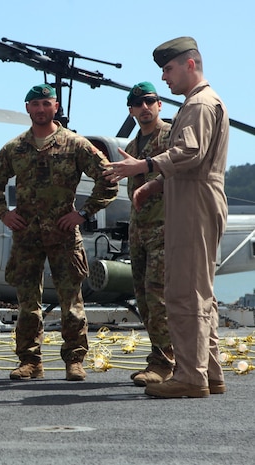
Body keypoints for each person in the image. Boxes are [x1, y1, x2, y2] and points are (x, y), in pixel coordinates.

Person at [105, 37, 229, 398]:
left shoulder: (199, 105)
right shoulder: (199, 102)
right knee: (199, 293)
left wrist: (143, 166)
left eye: (169, 69)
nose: (164, 77)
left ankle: (191, 377)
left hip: (193, 201)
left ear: (190, 64)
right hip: (189, 195)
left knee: (184, 293)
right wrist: (153, 186)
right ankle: (210, 372)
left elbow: (190, 152)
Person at [0, 84, 117, 382]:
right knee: (27, 303)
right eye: (35, 104)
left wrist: (83, 213)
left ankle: (74, 361)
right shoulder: (14, 148)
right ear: (27, 108)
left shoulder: (75, 144)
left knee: (72, 303)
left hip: (64, 234)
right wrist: (5, 213)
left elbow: (108, 179)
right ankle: (30, 362)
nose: (41, 109)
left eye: (46, 103)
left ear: (55, 107)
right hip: (26, 236)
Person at [123, 82, 174, 386]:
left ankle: (165, 363)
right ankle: (161, 355)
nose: (144, 107)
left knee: (159, 296)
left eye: (149, 101)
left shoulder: (171, 138)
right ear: (130, 110)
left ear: (159, 105)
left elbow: (183, 172)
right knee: (143, 297)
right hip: (139, 232)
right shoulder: (130, 148)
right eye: (137, 103)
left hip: (165, 228)